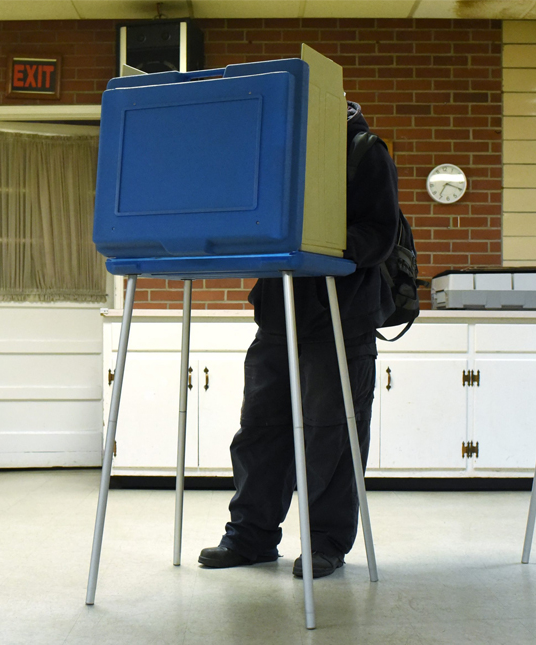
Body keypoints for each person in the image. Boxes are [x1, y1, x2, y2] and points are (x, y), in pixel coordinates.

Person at [198, 101, 401, 578]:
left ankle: (326, 542)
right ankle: (251, 537)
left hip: (340, 316)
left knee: (331, 433)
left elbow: (381, 233)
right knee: (260, 430)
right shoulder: (279, 158)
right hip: (277, 315)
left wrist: (318, 241)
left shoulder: (363, 152)